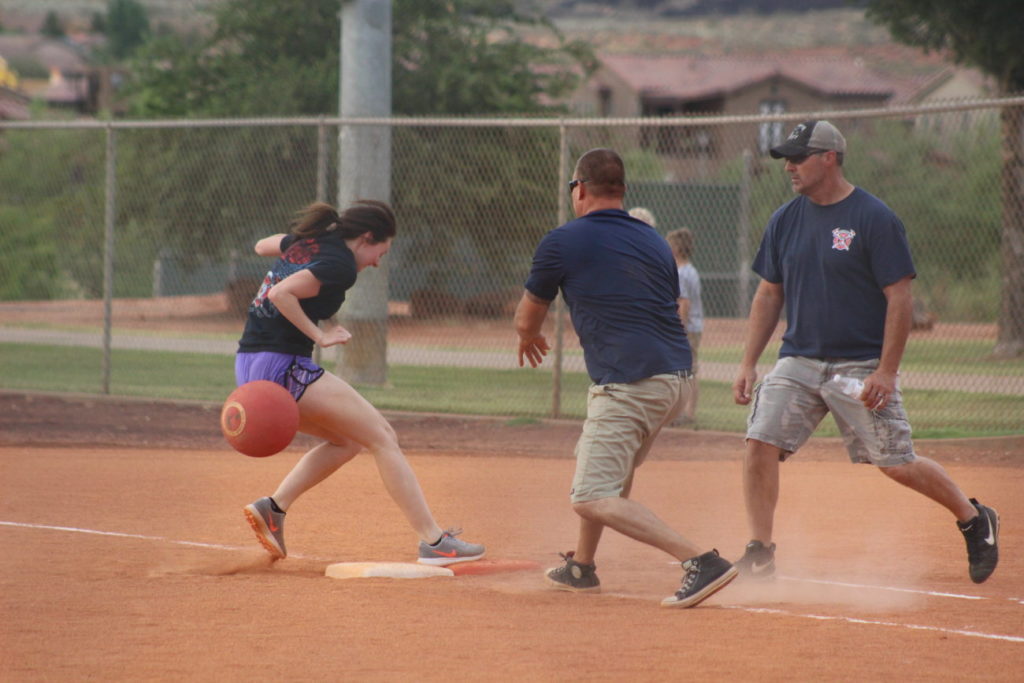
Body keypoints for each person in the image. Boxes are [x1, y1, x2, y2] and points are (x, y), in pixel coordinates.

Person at [731, 120, 999, 584]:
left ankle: (974, 518)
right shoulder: (785, 219)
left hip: (859, 364)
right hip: (799, 358)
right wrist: (749, 361)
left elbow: (900, 298)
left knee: (895, 462)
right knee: (759, 442)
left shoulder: (873, 217)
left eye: (799, 157)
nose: (789, 167)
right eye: (787, 159)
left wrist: (886, 371)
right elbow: (769, 294)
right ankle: (760, 550)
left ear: (829, 158)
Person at [516, 148, 737, 608]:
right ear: (621, 191)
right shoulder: (655, 240)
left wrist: (529, 335)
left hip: (629, 382)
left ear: (579, 188)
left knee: (590, 495)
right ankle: (582, 567)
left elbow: (527, 315)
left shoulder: (562, 240)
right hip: (674, 378)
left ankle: (700, 560)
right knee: (610, 481)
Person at [236, 199, 484, 566]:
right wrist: (320, 336)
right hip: (281, 365)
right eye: (378, 252)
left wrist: (296, 243)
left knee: (348, 440)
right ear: (366, 238)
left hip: (249, 363)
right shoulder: (339, 264)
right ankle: (434, 542)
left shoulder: (312, 243)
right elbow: (280, 294)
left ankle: (273, 510)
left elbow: (261, 246)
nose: (377, 262)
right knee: (383, 436)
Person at [665, 228, 703, 426]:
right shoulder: (691, 269)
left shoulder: (680, 272)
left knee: (686, 371)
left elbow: (684, 302)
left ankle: (686, 413)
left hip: (687, 327)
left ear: (678, 248)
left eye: (670, 245)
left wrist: (680, 329)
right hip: (694, 326)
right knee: (688, 370)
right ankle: (684, 412)